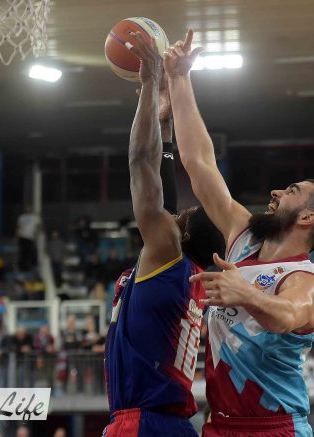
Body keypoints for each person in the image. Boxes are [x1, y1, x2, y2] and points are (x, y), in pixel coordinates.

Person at [165, 29, 314, 436]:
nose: (277, 192)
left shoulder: (305, 281)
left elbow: (286, 316)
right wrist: (179, 78)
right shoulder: (243, 236)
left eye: (292, 191)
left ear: (308, 218)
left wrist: (245, 292)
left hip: (275, 425)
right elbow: (199, 163)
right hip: (220, 425)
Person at [103, 32, 224, 437]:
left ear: (182, 234)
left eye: (184, 215)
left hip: (142, 423)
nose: (177, 213)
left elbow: (141, 162)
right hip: (169, 423)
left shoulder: (168, 255)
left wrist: (148, 84)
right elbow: (165, 199)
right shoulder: (189, 275)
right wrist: (165, 123)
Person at [16, 205, 41, 271]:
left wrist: (37, 234)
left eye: (29, 208)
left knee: (30, 251)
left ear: (32, 208)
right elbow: (19, 227)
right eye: (27, 208)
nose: (28, 209)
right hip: (22, 236)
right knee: (23, 252)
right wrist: (17, 235)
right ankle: (22, 266)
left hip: (30, 237)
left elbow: (39, 226)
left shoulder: (35, 217)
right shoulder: (22, 217)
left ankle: (32, 265)